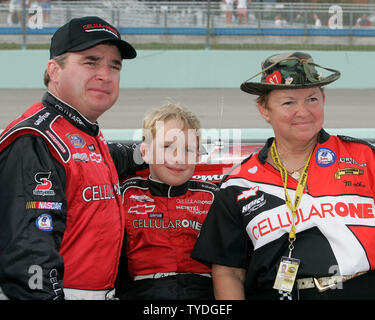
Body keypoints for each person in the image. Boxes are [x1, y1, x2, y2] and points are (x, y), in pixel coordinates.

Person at [192, 51, 375, 300]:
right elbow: (229, 272)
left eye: (312, 99)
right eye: (288, 102)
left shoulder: (366, 158)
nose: (304, 111)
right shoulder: (239, 184)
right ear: (264, 109)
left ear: (323, 99)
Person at [0, 16, 143, 300]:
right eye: (91, 62)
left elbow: (100, 163)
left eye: (114, 66)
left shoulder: (81, 132)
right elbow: (29, 258)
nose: (105, 74)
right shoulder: (37, 140)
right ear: (54, 70)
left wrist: (148, 152)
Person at [116, 103, 218, 300]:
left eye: (188, 149)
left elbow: (230, 266)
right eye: (167, 147)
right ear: (144, 152)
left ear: (198, 155)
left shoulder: (213, 197)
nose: (178, 157)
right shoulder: (125, 194)